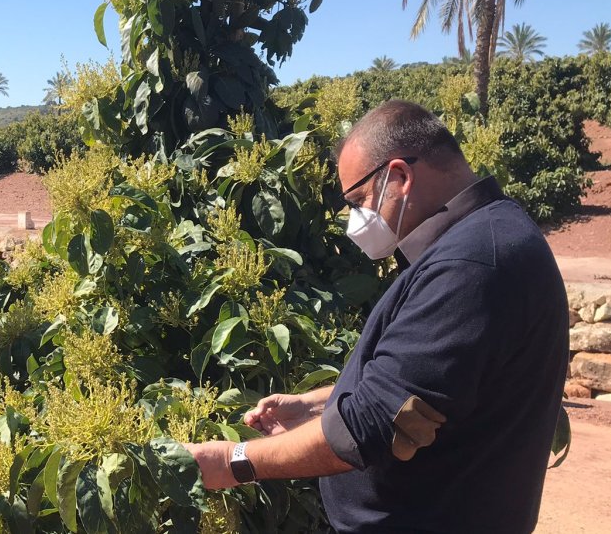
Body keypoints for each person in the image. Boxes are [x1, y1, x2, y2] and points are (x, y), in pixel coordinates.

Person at [185, 100, 569, 533]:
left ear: (400, 177)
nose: (356, 220)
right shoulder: (488, 235)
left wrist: (230, 462)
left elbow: (372, 425)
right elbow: (424, 386)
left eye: (359, 200)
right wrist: (315, 405)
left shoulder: (472, 265)